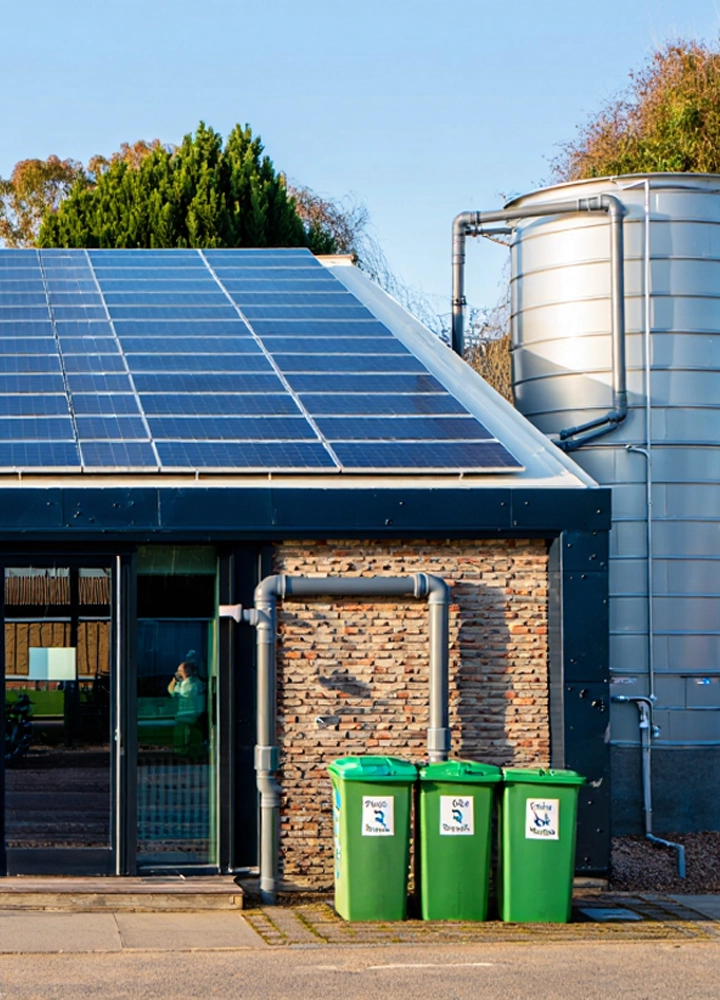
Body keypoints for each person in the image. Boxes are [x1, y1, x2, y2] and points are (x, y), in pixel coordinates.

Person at [167, 661, 206, 756]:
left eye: (180, 670)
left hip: (190, 714)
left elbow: (175, 694)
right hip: (186, 714)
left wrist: (174, 682)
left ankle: (183, 751)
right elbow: (171, 691)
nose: (178, 673)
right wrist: (174, 681)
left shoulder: (191, 684)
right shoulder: (183, 683)